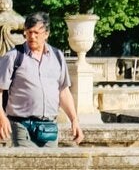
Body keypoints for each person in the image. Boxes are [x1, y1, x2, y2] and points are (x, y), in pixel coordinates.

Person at [3, 14, 81, 145]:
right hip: (22, 126)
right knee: (26, 165)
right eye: (29, 32)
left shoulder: (57, 56)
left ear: (46, 33)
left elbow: (63, 91)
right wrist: (2, 118)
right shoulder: (13, 57)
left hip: (49, 128)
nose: (32, 36)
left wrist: (74, 120)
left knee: (50, 165)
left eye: (36, 32)